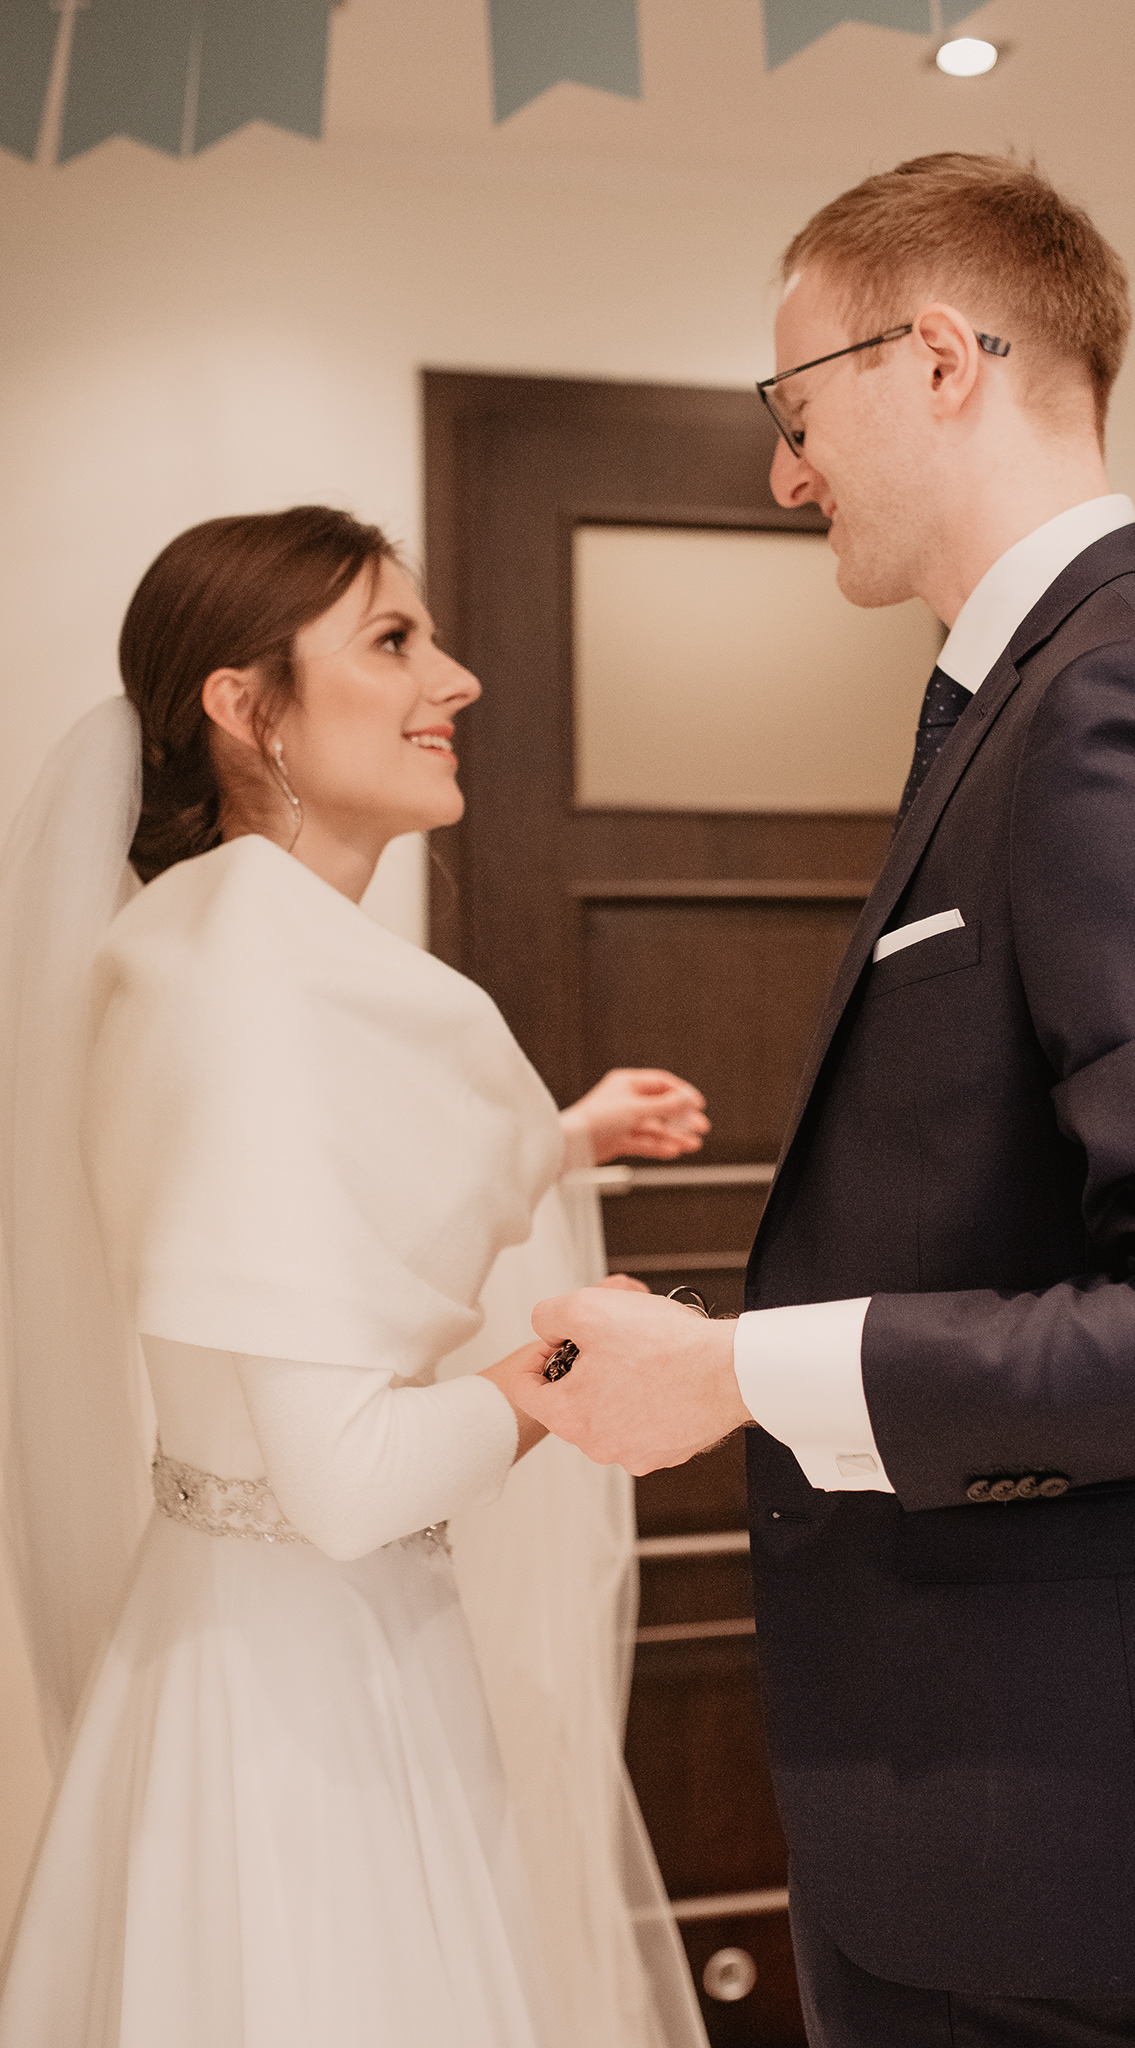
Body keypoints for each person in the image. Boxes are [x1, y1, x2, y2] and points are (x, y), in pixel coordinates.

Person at [516, 154, 1135, 2046]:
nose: (783, 471)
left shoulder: (1126, 700)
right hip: (977, 1773)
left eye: (794, 405)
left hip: (1031, 1800)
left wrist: (735, 1373)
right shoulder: (1037, 690)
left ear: (936, 359)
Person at [0, 506, 711, 2048]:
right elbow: (345, 1480)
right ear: (244, 707)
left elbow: (315, 1211)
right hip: (308, 1716)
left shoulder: (187, 944)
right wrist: (560, 1371)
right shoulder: (270, 990)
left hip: (215, 1650)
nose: (454, 679)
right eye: (393, 641)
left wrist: (564, 1136)